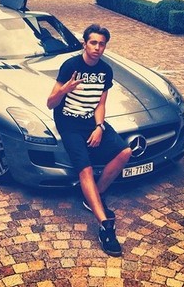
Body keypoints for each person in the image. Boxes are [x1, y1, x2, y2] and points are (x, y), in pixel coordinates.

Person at [47, 23, 132, 257]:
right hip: (69, 124)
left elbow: (100, 104)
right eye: (93, 42)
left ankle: (92, 196)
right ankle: (105, 226)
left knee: (125, 152)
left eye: (101, 44)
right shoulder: (70, 66)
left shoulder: (106, 71)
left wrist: (99, 127)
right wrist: (65, 89)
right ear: (84, 43)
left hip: (90, 122)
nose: (97, 48)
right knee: (85, 170)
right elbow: (50, 103)